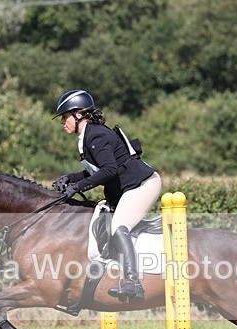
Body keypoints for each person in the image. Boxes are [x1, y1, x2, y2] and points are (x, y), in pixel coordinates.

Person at [52, 89, 162, 302]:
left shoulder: (96, 135)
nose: (63, 123)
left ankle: (134, 284)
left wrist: (79, 187)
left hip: (142, 184)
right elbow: (97, 170)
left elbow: (109, 170)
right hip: (129, 187)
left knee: (118, 226)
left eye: (65, 117)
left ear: (79, 114)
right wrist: (71, 178)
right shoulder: (89, 135)